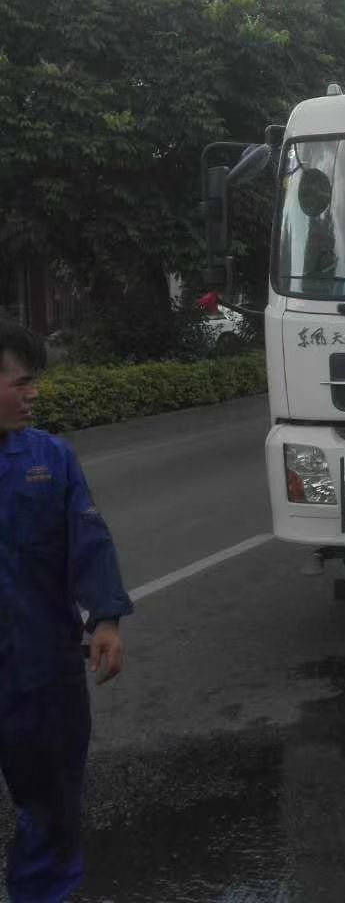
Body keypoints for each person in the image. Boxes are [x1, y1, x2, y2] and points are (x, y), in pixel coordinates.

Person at [0, 320, 132, 902]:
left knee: (52, 804)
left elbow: (88, 539)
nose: (34, 394)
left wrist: (105, 618)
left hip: (41, 669)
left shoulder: (50, 459)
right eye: (21, 383)